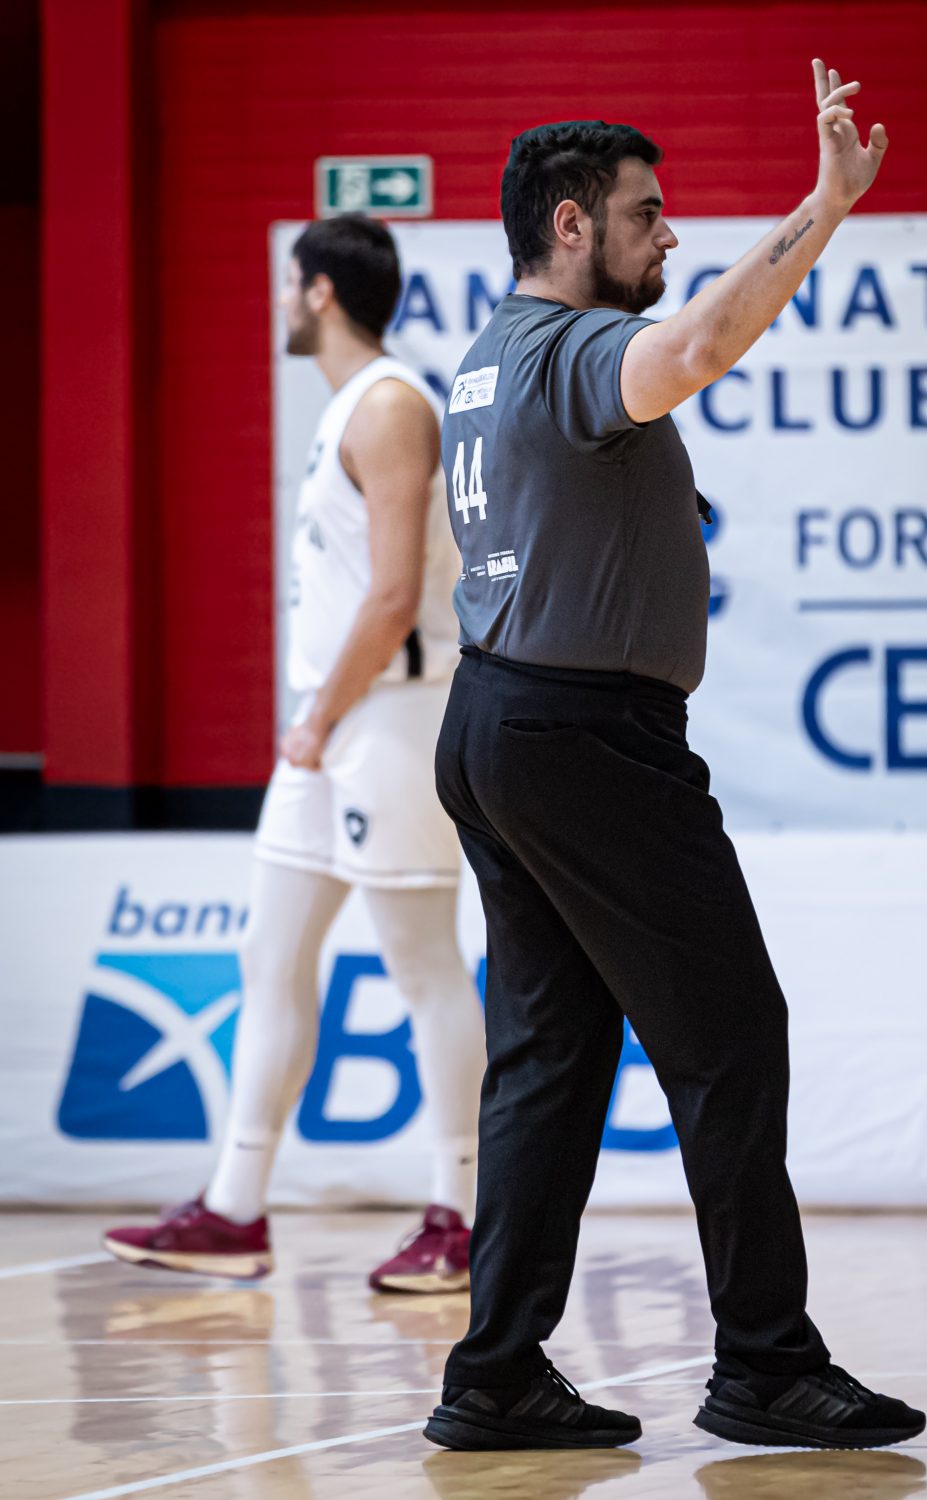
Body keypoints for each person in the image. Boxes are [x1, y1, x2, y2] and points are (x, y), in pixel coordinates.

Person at [422, 62, 927, 1451]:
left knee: (549, 1062)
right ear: (571, 224)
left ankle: (496, 1374)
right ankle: (764, 1361)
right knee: (730, 1033)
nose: (669, 232)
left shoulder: (487, 355)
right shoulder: (575, 349)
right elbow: (697, 347)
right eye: (646, 214)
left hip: (500, 723)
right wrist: (824, 208)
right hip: (585, 739)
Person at [103, 215, 487, 1293]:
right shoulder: (345, 406)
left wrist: (319, 717)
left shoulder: (394, 405)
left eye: (286, 284)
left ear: (321, 291)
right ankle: (234, 1210)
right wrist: (317, 721)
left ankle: (462, 1217)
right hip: (334, 722)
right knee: (269, 957)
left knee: (423, 966)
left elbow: (396, 596)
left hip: (391, 717)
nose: (277, 301)